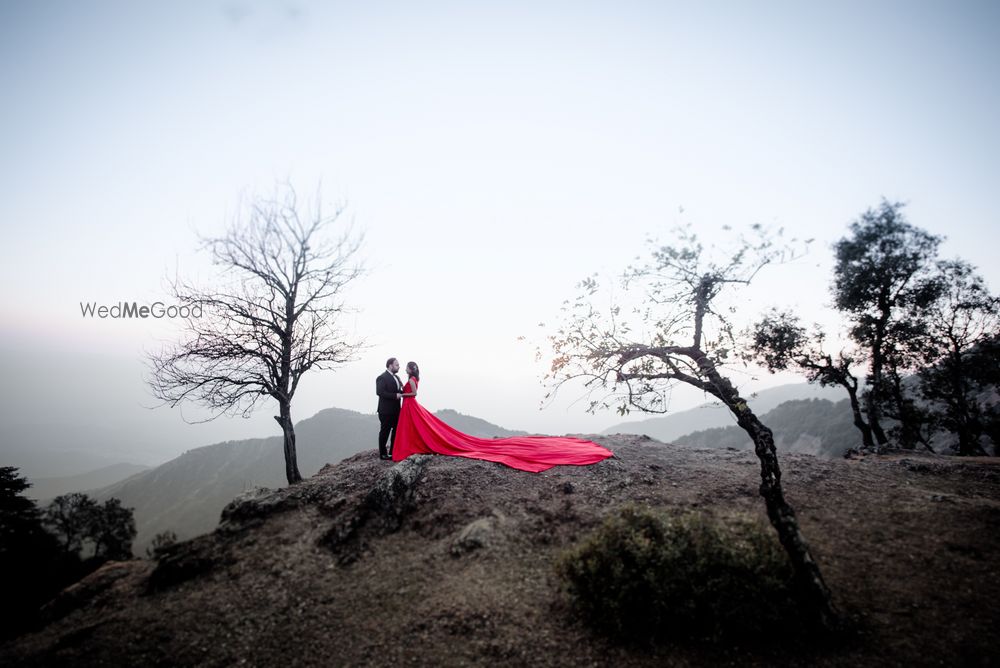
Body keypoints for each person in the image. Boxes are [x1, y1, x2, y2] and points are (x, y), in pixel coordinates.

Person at [392, 361, 614, 472]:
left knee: (420, 428)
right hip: (409, 405)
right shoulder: (413, 377)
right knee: (418, 428)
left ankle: (409, 445)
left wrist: (402, 393)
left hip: (410, 404)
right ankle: (411, 445)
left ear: (411, 371)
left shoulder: (411, 381)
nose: (406, 371)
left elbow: (413, 392)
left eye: (407, 369)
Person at [375, 357, 403, 460]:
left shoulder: (397, 377)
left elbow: (398, 390)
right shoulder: (382, 377)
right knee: (385, 432)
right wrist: (395, 396)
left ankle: (393, 452)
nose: (398, 366)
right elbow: (380, 392)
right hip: (385, 411)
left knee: (396, 431)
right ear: (390, 365)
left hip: (396, 410)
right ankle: (383, 454)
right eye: (396, 365)